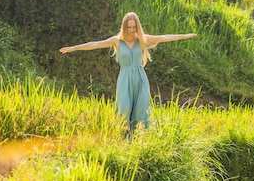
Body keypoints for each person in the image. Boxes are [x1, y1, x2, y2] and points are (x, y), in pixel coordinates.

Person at [59, 12, 196, 135]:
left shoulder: (142, 39)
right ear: (124, 26)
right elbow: (95, 44)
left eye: (134, 27)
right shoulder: (116, 41)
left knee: (141, 108)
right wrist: (74, 48)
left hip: (140, 78)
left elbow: (163, 37)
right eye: (128, 27)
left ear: (137, 26)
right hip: (124, 79)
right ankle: (123, 138)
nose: (131, 30)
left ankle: (140, 138)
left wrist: (185, 36)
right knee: (124, 108)